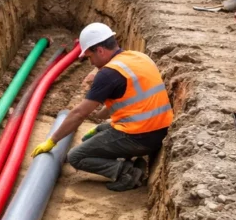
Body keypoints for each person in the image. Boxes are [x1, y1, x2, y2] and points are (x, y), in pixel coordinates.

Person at [31, 23, 172, 191]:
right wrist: (103, 114)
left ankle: (128, 172)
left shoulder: (109, 74)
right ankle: (131, 162)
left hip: (139, 137)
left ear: (100, 50)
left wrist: (52, 141)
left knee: (76, 157)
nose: (91, 63)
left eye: (90, 57)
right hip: (159, 131)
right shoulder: (138, 57)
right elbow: (128, 101)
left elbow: (79, 114)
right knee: (97, 132)